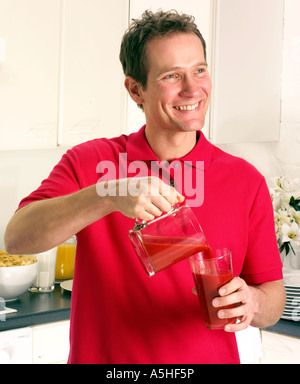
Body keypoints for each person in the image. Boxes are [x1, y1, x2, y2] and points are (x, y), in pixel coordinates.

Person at [5, 10, 285, 364]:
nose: (192, 88)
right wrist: (107, 195)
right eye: (172, 75)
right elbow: (17, 238)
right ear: (135, 89)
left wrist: (255, 303)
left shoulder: (246, 180)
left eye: (199, 70)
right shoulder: (91, 162)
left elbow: (271, 294)